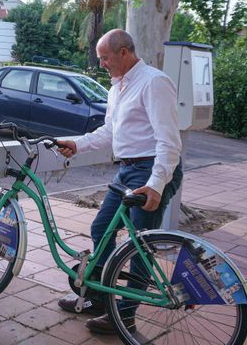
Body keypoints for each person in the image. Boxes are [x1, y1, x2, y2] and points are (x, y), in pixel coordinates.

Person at [55, 29, 183, 335]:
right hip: (127, 170)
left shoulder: (153, 82)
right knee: (101, 228)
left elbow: (169, 141)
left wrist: (156, 183)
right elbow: (110, 130)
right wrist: (78, 144)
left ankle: (122, 315)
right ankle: (100, 298)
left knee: (139, 245)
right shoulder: (118, 87)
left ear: (124, 52)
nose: (101, 64)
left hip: (150, 170)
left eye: (105, 58)